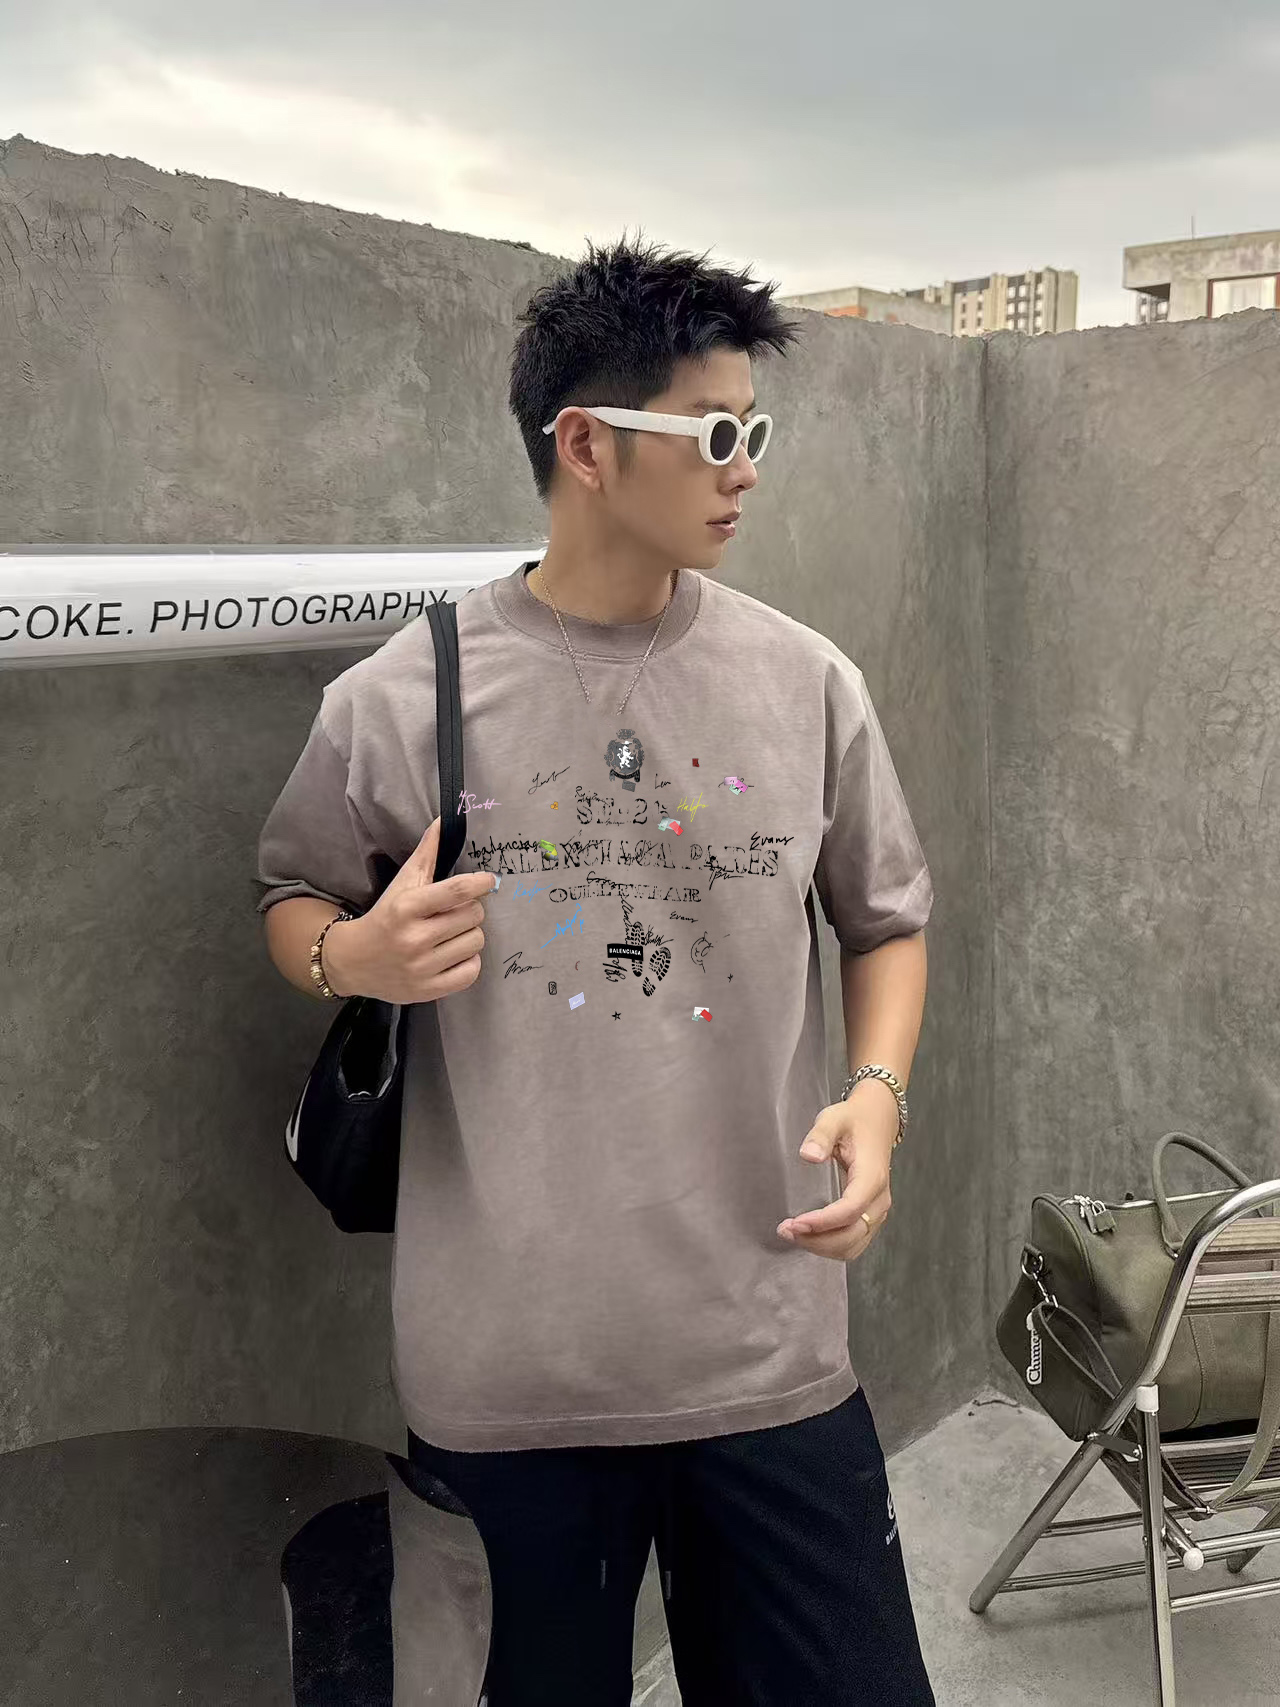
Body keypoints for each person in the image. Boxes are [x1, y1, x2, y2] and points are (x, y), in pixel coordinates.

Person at [256, 230, 937, 1706]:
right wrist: (354, 954)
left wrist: (878, 1096)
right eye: (714, 434)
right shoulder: (403, 698)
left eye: (757, 432)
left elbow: (885, 918)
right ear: (585, 445)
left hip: (768, 1346)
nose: (746, 470)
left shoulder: (806, 681)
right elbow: (291, 898)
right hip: (509, 1382)